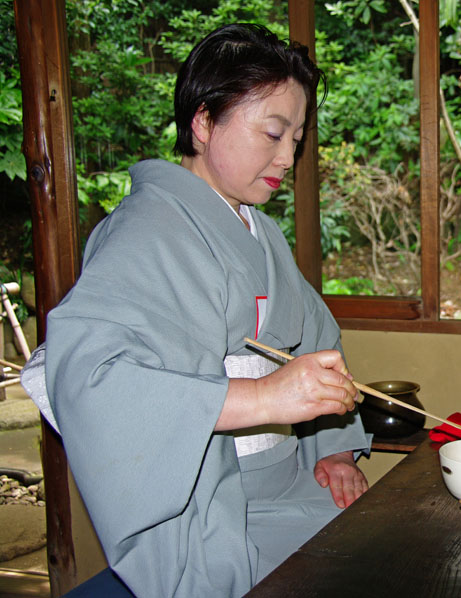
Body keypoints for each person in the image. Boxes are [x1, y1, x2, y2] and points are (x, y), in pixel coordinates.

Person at [24, 23, 371, 597]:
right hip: (205, 501)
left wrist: (331, 445)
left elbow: (315, 339)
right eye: (273, 133)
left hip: (285, 481)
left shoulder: (261, 232)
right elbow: (90, 378)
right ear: (204, 121)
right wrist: (264, 397)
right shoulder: (142, 233)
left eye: (298, 136)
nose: (289, 156)